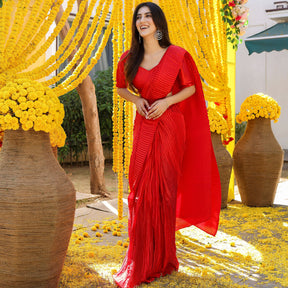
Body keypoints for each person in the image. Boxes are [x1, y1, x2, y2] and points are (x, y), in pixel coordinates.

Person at [113, 2, 221, 287]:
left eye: (148, 16)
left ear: (158, 23)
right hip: (145, 124)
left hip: (171, 126)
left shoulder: (176, 55)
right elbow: (121, 86)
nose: (142, 20)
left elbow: (191, 87)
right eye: (139, 17)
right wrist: (137, 100)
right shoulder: (129, 58)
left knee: (163, 191)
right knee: (140, 191)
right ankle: (142, 259)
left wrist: (166, 101)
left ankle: (162, 259)